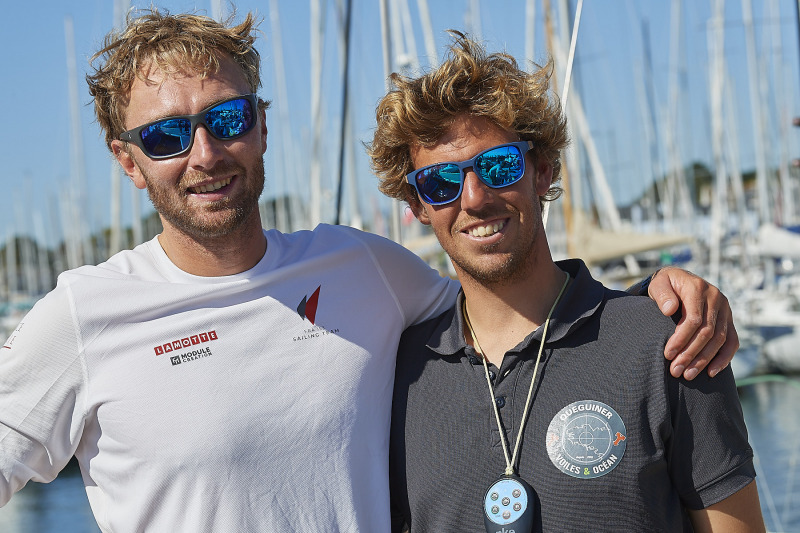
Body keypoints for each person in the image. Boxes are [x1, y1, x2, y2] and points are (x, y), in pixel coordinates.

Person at [0, 10, 737, 532]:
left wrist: (657, 301)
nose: (204, 153)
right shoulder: (83, 317)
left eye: (226, 119)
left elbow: (509, 303)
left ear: (261, 126)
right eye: (165, 135)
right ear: (128, 161)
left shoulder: (362, 269)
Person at [369, 32, 765, 532]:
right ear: (418, 207)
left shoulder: (670, 343)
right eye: (441, 182)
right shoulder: (398, 377)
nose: (473, 198)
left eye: (498, 166)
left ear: (542, 171)